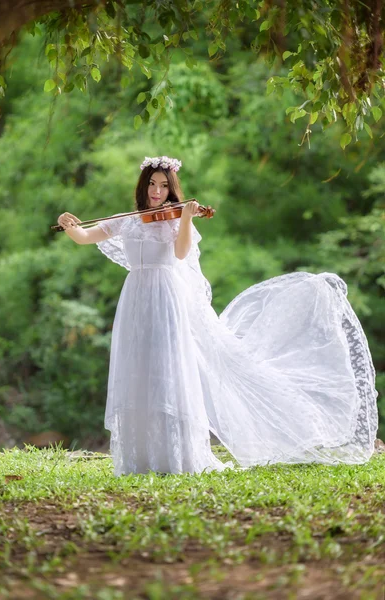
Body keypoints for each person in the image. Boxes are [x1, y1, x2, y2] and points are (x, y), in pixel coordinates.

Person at [57, 155, 379, 476]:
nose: (157, 191)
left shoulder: (172, 220)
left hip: (165, 296)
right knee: (138, 366)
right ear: (144, 186)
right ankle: (139, 457)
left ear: (172, 190)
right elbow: (86, 236)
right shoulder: (125, 220)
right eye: (153, 184)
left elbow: (181, 253)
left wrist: (184, 219)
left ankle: (173, 456)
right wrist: (70, 225)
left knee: (166, 367)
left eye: (164, 186)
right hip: (135, 296)